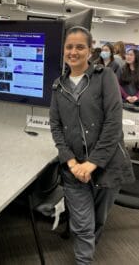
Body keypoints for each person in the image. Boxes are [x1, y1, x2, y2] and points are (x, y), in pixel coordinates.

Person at [50, 26, 135, 265]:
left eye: (80, 47)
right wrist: (72, 162)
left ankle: (86, 250)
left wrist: (92, 164)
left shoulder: (104, 77)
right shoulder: (58, 86)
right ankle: (84, 260)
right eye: (69, 47)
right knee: (83, 225)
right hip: (73, 168)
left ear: (89, 50)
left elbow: (112, 124)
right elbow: (56, 127)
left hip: (108, 165)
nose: (73, 51)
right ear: (64, 50)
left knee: (97, 221)